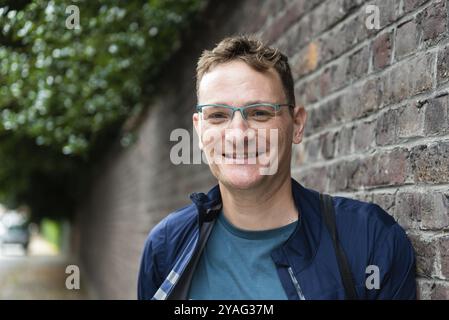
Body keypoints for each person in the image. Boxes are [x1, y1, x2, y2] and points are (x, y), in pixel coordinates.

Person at [137, 35, 416, 300]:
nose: (238, 135)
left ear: (297, 124)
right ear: (199, 130)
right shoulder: (166, 247)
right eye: (218, 115)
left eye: (259, 113)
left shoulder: (369, 240)